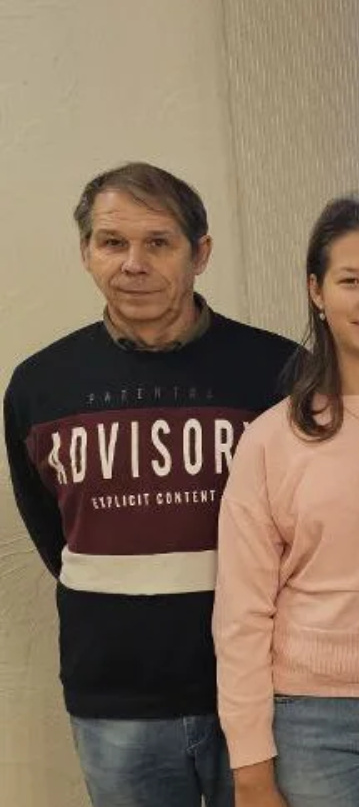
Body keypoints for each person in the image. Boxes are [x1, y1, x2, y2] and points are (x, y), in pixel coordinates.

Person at [3, 162, 299, 806]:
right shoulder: (39, 387)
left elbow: (307, 531)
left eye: (159, 242)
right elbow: (56, 537)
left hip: (263, 691)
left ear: (201, 254)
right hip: (115, 698)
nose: (133, 264)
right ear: (86, 251)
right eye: (112, 242)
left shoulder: (279, 374)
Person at [212, 198, 359, 807]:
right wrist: (251, 768)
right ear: (317, 291)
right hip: (310, 718)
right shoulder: (270, 438)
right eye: (351, 281)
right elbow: (241, 613)